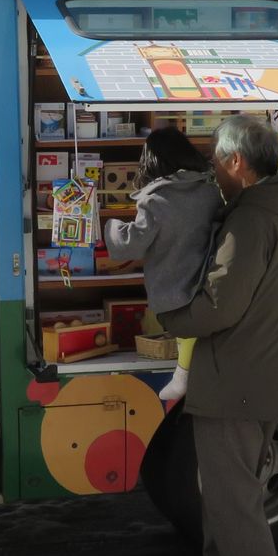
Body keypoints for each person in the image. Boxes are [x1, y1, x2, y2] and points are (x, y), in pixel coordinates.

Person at [156, 114, 278, 556]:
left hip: (240, 378)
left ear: (236, 162)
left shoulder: (251, 220)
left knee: (232, 501)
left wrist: (171, 319)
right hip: (262, 373)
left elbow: (219, 307)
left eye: (215, 161)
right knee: (227, 496)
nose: (212, 171)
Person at [102, 127, 220, 401]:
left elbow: (133, 244)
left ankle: (183, 374)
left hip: (174, 289)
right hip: (209, 283)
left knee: (183, 328)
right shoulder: (211, 190)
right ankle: (186, 372)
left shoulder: (156, 200)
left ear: (152, 161)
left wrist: (111, 227)